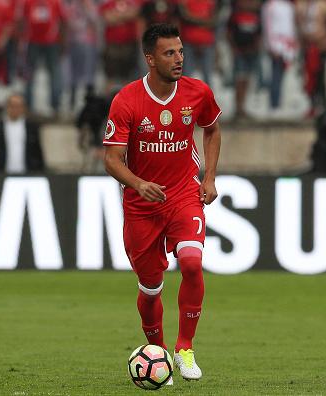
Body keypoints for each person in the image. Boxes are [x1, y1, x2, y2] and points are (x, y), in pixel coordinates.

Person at [103, 23, 221, 382]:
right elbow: (111, 159)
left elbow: (213, 128)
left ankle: (185, 348)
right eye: (170, 53)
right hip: (142, 207)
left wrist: (210, 176)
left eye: (181, 51)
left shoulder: (197, 93)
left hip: (184, 194)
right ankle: (160, 355)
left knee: (191, 264)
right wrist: (139, 184)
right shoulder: (126, 100)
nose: (179, 59)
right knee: (151, 288)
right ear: (150, 58)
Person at [0, 93, 44, 173]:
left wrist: (42, 171)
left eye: (18, 106)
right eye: (12, 106)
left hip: (26, 174)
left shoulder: (31, 127)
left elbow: (37, 152)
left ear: (23, 108)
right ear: (7, 107)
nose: (15, 109)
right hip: (2, 174)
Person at [23, 0, 67, 113]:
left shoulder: (55, 2)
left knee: (54, 73)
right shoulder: (28, 2)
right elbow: (23, 21)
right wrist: (22, 41)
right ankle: (28, 104)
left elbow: (63, 21)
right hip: (33, 42)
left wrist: (63, 41)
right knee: (29, 73)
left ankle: (55, 104)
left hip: (51, 42)